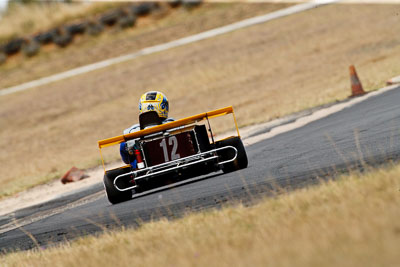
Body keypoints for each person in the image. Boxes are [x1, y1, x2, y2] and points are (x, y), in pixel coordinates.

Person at [120, 91, 174, 168]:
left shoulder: (132, 132)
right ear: (163, 107)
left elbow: (126, 159)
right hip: (176, 163)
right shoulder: (174, 124)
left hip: (146, 169)